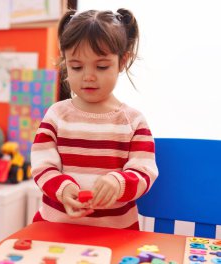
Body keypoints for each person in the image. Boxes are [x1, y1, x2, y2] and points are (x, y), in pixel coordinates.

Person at [30, 8, 158, 230]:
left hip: (116, 234)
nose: (88, 76)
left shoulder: (133, 121)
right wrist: (62, 188)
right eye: (76, 66)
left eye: (101, 66)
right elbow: (42, 166)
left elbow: (145, 171)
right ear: (65, 62)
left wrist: (119, 183)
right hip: (56, 227)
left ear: (122, 61)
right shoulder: (56, 115)